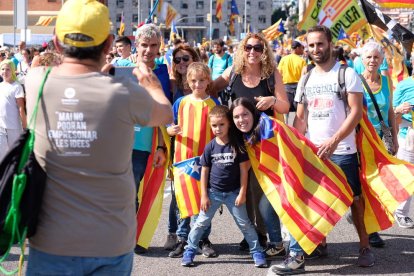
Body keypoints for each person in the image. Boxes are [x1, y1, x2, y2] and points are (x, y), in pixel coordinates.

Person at [23, 1, 172, 274]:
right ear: (109, 45)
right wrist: (152, 85)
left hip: (51, 241)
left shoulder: (35, 82)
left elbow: (51, 73)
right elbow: (164, 113)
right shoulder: (123, 92)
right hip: (110, 241)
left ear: (56, 42)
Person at [271, 25, 374, 275]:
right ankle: (318, 244)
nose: (316, 49)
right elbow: (301, 118)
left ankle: (364, 246)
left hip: (343, 149)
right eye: (311, 45)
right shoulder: (306, 77)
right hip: (313, 151)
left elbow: (356, 113)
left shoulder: (346, 74)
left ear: (329, 44)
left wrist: (335, 141)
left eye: (320, 44)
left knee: (354, 201)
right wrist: (297, 144)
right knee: (310, 199)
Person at [212, 32, 289, 256]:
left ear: (264, 51)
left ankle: (269, 235)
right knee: (243, 190)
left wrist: (273, 100)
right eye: (248, 48)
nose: (253, 52)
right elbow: (210, 88)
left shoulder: (271, 75)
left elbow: (285, 107)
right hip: (238, 142)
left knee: (264, 192)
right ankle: (253, 234)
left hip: (265, 144)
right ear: (242, 51)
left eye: (258, 48)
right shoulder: (234, 73)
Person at [180, 105, 267, 268]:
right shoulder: (210, 146)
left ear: (229, 124)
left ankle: (257, 251)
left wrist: (242, 193)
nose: (217, 129)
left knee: (245, 224)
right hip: (212, 194)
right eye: (214, 125)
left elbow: (244, 171)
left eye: (221, 125)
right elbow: (204, 172)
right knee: (200, 223)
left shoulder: (237, 145)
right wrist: (204, 195)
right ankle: (190, 250)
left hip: (234, 194)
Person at [167, 62, 220, 258]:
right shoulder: (180, 103)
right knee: (183, 199)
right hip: (183, 159)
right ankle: (182, 238)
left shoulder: (214, 103)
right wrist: (169, 129)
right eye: (194, 80)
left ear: (208, 81)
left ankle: (203, 239)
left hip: (205, 161)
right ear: (188, 82)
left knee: (204, 200)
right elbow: (169, 125)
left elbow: (219, 131)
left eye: (202, 80)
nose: (198, 84)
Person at [129, 23, 171, 254]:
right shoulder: (122, 68)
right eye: (144, 45)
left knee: (136, 190)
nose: (148, 50)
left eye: (153, 45)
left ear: (159, 47)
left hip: (146, 143)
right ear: (137, 45)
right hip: (119, 142)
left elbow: (165, 114)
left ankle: (134, 236)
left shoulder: (164, 73)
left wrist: (162, 146)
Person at [358, 41, 398, 246]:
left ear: (382, 60)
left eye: (376, 57)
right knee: (364, 183)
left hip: (380, 141)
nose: (372, 60)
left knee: (376, 184)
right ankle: (366, 225)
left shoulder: (386, 81)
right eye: (369, 57)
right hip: (359, 139)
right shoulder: (355, 81)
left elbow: (390, 111)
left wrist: (395, 137)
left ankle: (370, 227)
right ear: (362, 60)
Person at [164, 44, 201, 252]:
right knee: (179, 190)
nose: (181, 63)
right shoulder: (172, 85)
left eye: (185, 59)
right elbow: (163, 110)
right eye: (177, 60)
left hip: (199, 145)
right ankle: (173, 231)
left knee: (200, 189)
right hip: (178, 144)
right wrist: (168, 129)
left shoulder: (205, 85)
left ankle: (200, 237)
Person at [392, 54, 414, 229]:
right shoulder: (403, 85)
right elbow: (391, 113)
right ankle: (401, 213)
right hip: (408, 134)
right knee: (407, 176)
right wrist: (399, 109)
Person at [0, 59, 26, 161]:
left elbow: (21, 108)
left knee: (15, 155)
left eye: (8, 69)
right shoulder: (0, 85)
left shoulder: (17, 86)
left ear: (13, 71)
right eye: (2, 69)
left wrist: (25, 127)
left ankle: (14, 175)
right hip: (1, 127)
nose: (5, 72)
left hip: (14, 127)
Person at [277, 40, 306, 119]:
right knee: (299, 110)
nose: (302, 50)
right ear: (297, 48)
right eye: (301, 48)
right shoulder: (302, 61)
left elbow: (279, 73)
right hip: (298, 87)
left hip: (286, 87)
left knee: (286, 111)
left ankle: (286, 127)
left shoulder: (284, 59)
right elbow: (305, 76)